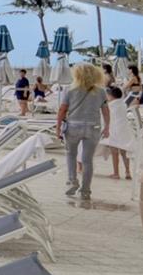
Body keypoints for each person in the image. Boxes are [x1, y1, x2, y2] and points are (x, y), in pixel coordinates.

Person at [56, 63, 109, 202]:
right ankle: (86, 191)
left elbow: (62, 110)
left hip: (73, 126)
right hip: (93, 127)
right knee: (87, 160)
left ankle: (72, 181)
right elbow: (105, 111)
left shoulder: (70, 90)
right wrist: (107, 126)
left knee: (71, 155)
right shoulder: (101, 91)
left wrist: (57, 128)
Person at [101, 86, 133, 180]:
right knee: (124, 152)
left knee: (114, 152)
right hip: (125, 130)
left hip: (114, 130)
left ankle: (116, 173)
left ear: (111, 96)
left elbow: (105, 117)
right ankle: (128, 172)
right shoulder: (123, 104)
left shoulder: (111, 105)